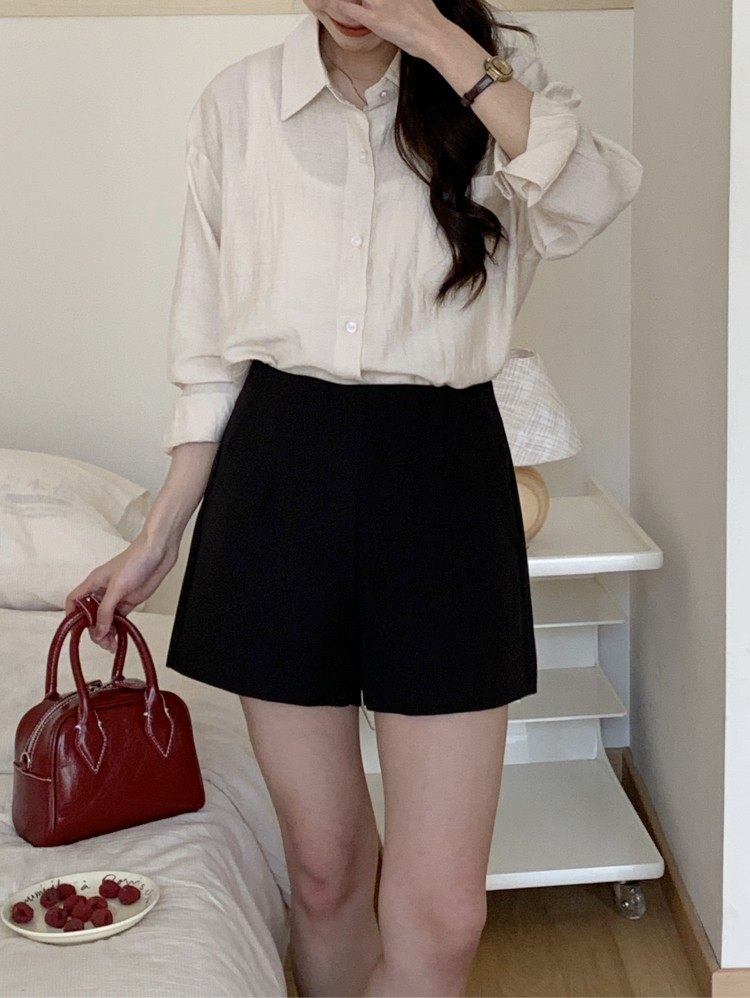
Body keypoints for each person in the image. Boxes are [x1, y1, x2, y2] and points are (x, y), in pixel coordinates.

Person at [66, 1, 642, 995]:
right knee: (325, 871)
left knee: (446, 913)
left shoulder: (495, 87)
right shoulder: (240, 103)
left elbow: (590, 193)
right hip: (277, 476)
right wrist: (159, 534)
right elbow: (208, 354)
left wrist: (439, 41)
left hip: (445, 475)